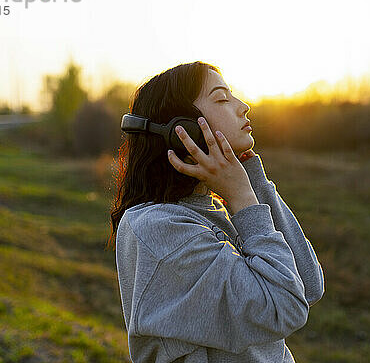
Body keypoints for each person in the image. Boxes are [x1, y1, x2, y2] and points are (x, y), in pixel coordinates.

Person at [109, 61, 325, 362]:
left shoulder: (211, 209)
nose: (244, 106)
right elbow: (285, 305)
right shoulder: (158, 228)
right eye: (222, 98)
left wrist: (251, 178)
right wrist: (242, 196)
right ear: (182, 130)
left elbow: (308, 284)